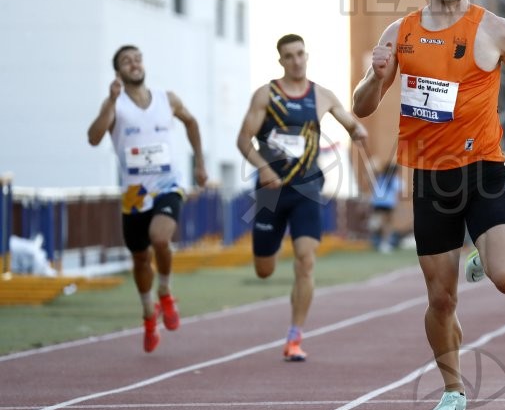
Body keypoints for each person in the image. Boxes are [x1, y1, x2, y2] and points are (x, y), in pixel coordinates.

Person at [352, 0, 505, 410]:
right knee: (441, 298)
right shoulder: (401, 32)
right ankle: (453, 390)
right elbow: (361, 106)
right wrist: (377, 77)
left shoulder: (494, 29)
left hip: (483, 170)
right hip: (430, 178)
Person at [236, 34, 368, 362]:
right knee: (264, 269)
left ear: (306, 56)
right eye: (289, 56)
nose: (296, 60)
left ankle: (295, 335)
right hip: (269, 192)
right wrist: (263, 167)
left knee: (306, 261)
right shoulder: (266, 95)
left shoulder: (321, 96)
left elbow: (349, 121)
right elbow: (243, 140)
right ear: (280, 61)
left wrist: (357, 130)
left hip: (307, 189)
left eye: (300, 54)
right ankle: (270, 246)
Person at [87, 45, 207, 353]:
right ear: (119, 72)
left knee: (160, 239)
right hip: (134, 194)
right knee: (140, 257)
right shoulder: (115, 104)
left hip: (168, 184)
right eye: (126, 61)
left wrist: (200, 164)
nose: (134, 64)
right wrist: (110, 102)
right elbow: (94, 137)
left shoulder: (167, 99)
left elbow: (191, 122)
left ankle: (165, 292)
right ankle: (148, 315)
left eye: (137, 58)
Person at [369, 160, 402, 253]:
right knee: (387, 224)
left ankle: (375, 225)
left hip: (377, 202)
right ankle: (384, 242)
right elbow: (398, 193)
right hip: (388, 203)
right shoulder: (395, 180)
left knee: (381, 222)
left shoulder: (380, 177)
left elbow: (372, 171)